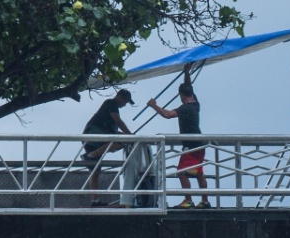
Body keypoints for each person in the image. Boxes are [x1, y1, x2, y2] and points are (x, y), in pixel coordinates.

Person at [145, 76, 208, 208]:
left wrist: (153, 105)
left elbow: (167, 115)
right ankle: (205, 201)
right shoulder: (196, 104)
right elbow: (188, 85)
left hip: (191, 145)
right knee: (198, 172)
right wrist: (186, 72)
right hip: (200, 143)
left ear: (181, 95)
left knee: (181, 172)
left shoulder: (185, 109)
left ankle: (188, 200)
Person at [80, 90, 136, 197]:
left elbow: (115, 131)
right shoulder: (111, 103)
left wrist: (128, 136)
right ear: (120, 97)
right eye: (125, 101)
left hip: (95, 137)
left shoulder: (110, 113)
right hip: (93, 133)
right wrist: (130, 135)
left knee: (95, 172)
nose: (125, 104)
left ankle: (95, 200)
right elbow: (119, 121)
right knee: (121, 142)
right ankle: (90, 155)